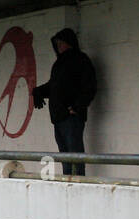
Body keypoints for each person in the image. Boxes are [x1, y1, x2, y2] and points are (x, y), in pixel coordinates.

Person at [32, 28, 97, 176]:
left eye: (61, 43)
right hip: (59, 117)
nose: (59, 46)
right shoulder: (59, 64)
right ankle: (68, 180)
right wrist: (38, 92)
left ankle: (77, 181)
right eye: (57, 44)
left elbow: (90, 86)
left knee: (74, 155)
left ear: (70, 43)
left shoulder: (80, 60)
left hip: (71, 116)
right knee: (65, 155)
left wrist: (77, 107)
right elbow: (55, 87)